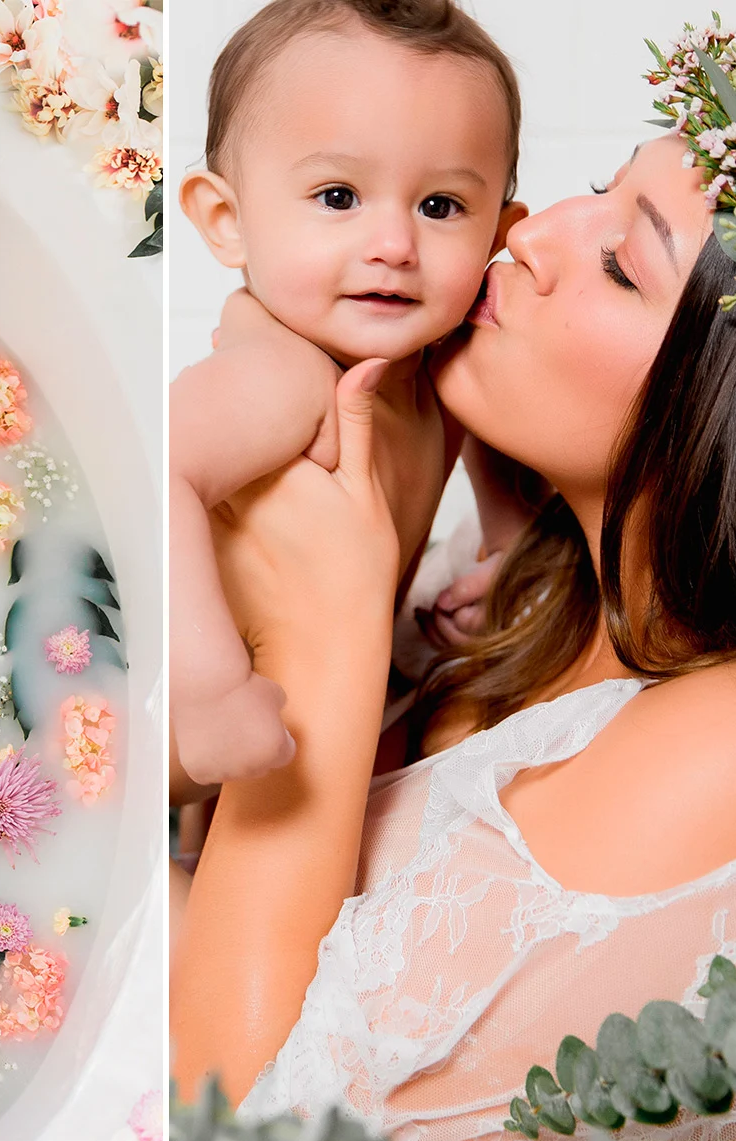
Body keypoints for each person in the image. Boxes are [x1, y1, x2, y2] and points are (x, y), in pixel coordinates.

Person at [171, 19, 736, 1141]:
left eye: (621, 261)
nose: (530, 234)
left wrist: (324, 631)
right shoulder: (516, 562)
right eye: (595, 193)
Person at [168, 0, 528, 785]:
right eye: (339, 196)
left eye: (441, 206)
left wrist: (505, 549)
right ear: (226, 219)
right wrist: (205, 685)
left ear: (497, 235)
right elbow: (156, 471)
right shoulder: (285, 375)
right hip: (186, 724)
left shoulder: (441, 366)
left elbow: (499, 444)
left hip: (309, 717)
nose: (394, 246)